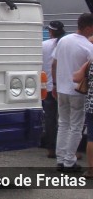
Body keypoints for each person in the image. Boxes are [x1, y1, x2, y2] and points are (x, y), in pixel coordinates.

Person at [52, 13, 93, 172]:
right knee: (76, 127)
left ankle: (60, 159)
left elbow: (54, 64)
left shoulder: (63, 40)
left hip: (61, 89)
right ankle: (69, 161)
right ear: (88, 27)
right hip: (77, 92)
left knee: (63, 124)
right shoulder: (88, 46)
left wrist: (54, 85)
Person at [42, 21, 65, 158]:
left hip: (48, 88)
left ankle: (51, 149)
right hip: (62, 87)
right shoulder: (65, 43)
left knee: (50, 119)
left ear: (50, 31)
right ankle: (67, 150)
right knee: (65, 120)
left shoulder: (43, 45)